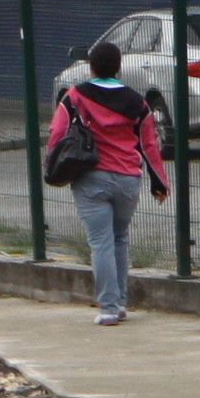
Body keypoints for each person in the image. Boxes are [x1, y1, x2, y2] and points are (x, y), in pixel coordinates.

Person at [44, 40, 167, 326]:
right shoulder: (138, 102)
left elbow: (57, 132)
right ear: (119, 67)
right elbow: (149, 144)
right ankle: (120, 302)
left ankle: (109, 307)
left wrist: (51, 165)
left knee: (100, 243)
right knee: (120, 238)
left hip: (91, 178)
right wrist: (159, 182)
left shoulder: (75, 97)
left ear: (91, 66)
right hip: (128, 179)